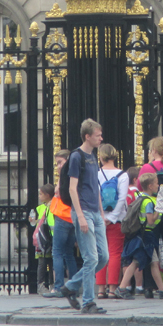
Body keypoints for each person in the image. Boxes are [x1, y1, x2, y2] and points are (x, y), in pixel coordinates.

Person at [59, 119, 109, 315]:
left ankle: (70, 286)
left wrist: (102, 211)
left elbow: (94, 186)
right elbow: (73, 188)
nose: (101, 138)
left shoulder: (93, 157)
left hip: (95, 212)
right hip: (83, 212)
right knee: (91, 258)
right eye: (98, 135)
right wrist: (80, 216)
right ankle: (88, 302)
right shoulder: (76, 157)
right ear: (87, 136)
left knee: (103, 257)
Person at [116, 172, 163, 299]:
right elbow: (150, 221)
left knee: (153, 262)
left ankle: (162, 289)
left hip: (142, 235)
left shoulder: (140, 198)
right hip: (147, 236)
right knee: (136, 262)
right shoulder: (149, 202)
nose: (158, 185)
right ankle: (121, 288)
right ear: (150, 186)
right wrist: (159, 210)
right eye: (156, 183)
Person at [139, 137, 163, 287]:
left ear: (153, 150)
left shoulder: (147, 168)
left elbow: (139, 187)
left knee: (151, 249)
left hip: (152, 210)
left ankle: (149, 285)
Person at [95, 143, 128, 299]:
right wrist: (113, 217)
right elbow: (122, 199)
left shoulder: (96, 174)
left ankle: (100, 289)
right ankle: (112, 289)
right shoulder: (123, 175)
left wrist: (102, 216)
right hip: (117, 220)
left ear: (100, 156)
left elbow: (94, 197)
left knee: (101, 253)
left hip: (99, 219)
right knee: (115, 253)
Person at [45, 150, 78, 298]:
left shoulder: (66, 174)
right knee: (69, 253)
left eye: (60, 162)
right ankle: (73, 285)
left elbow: (57, 191)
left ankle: (58, 287)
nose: (58, 166)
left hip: (63, 215)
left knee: (57, 252)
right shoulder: (75, 173)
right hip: (71, 217)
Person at [32, 183, 56, 295]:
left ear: (47, 195)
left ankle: (52, 283)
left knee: (52, 262)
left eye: (41, 194)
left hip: (53, 237)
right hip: (42, 239)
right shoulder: (40, 208)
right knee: (42, 262)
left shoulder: (54, 206)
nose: (39, 196)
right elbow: (33, 220)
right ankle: (41, 284)